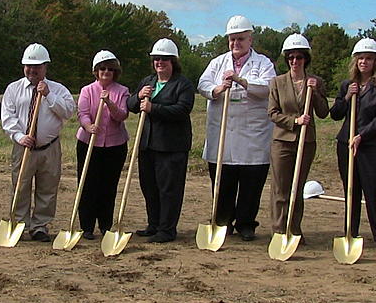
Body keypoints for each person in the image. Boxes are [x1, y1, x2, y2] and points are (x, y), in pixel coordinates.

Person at [197, 15, 276, 241]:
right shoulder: (217, 63)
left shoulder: (263, 63)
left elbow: (268, 87)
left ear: (250, 39)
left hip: (253, 137)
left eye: (240, 39)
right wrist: (218, 88)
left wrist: (241, 81)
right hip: (222, 135)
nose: (236, 44)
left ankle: (246, 224)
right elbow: (203, 84)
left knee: (251, 185)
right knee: (223, 183)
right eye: (232, 39)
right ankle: (223, 221)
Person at [0, 43, 75, 241]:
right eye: (28, 66)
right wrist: (19, 136)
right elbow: (8, 117)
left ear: (45, 67)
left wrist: (49, 95)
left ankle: (40, 226)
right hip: (23, 146)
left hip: (49, 148)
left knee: (47, 188)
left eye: (37, 66)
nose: (32, 70)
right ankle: (20, 225)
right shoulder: (13, 89)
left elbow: (68, 111)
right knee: (20, 186)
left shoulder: (58, 90)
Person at [328, 38, 376, 254]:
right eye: (360, 58)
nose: (364, 62)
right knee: (351, 190)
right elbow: (335, 114)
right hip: (345, 144)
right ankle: (351, 232)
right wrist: (347, 97)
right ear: (355, 61)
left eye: (368, 58)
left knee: (374, 191)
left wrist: (361, 136)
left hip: (371, 146)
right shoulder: (347, 85)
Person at [127, 38, 195, 243]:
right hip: (147, 145)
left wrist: (153, 108)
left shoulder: (182, 84)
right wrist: (139, 96)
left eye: (164, 59)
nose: (160, 63)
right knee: (149, 187)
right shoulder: (148, 82)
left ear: (173, 61)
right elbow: (130, 105)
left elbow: (182, 110)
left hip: (171, 147)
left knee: (169, 190)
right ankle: (153, 224)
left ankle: (167, 229)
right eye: (156, 59)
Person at [268, 33, 329, 240]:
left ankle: (294, 230)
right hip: (282, 141)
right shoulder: (277, 82)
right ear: (287, 59)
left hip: (307, 142)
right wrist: (295, 122)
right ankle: (278, 230)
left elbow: (323, 112)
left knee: (298, 185)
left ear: (306, 59)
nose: (295, 61)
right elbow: (272, 113)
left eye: (299, 57)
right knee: (281, 188)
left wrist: (317, 92)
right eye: (291, 57)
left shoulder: (316, 81)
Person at [75, 50, 129, 240]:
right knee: (88, 184)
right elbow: (82, 113)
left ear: (115, 72)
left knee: (108, 186)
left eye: (110, 69)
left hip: (115, 145)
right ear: (96, 71)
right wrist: (88, 125)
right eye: (102, 68)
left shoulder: (121, 91)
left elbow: (122, 115)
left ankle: (105, 225)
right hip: (88, 144)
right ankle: (86, 226)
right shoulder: (87, 90)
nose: (106, 72)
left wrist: (108, 103)